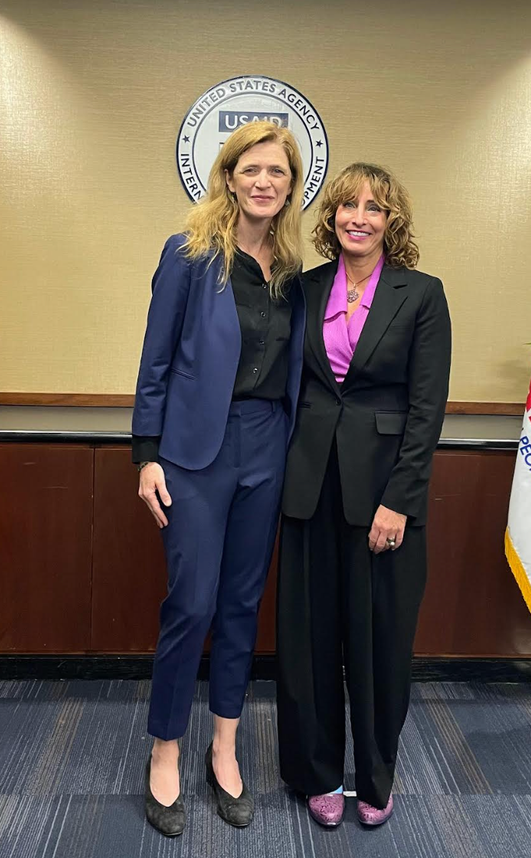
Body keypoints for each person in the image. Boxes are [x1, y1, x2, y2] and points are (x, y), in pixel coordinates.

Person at [132, 121, 305, 836]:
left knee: (242, 605)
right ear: (229, 176)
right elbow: (156, 360)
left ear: (292, 187)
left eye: (279, 173)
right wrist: (146, 454)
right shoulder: (189, 255)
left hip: (268, 446)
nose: (265, 182)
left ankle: (225, 747)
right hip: (194, 453)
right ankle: (165, 751)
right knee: (192, 605)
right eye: (253, 169)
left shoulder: (294, 269)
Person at [276, 162, 451, 828]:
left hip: (384, 495)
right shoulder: (303, 287)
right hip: (308, 488)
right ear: (332, 217)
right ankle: (317, 772)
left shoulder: (422, 294)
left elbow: (426, 407)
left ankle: (376, 776)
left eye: (374, 208)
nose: (358, 216)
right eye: (347, 204)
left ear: (391, 222)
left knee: (380, 643)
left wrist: (399, 500)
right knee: (309, 642)